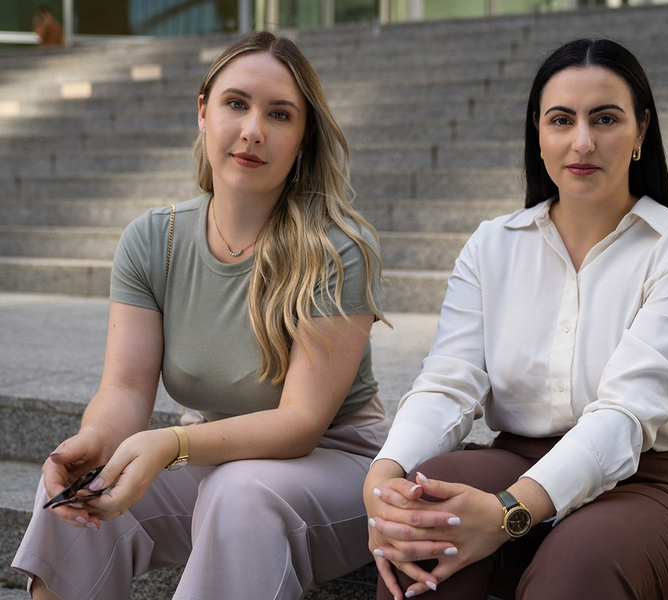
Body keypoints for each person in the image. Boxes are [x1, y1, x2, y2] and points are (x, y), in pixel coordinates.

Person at [13, 30, 390, 600]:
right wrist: (92, 441)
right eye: (236, 104)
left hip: (338, 466)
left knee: (238, 492)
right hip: (220, 457)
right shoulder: (153, 240)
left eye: (280, 115)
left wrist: (171, 445)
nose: (253, 130)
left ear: (302, 137)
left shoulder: (336, 249)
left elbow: (301, 424)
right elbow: (124, 388)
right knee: (78, 491)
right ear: (203, 112)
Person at [364, 38, 668, 600]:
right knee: (427, 513)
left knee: (578, 566)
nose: (582, 141)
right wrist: (386, 471)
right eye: (562, 119)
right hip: (514, 460)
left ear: (641, 132)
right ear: (538, 133)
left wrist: (510, 510)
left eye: (605, 119)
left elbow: (625, 413)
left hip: (653, 483)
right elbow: (448, 382)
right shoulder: (493, 245)